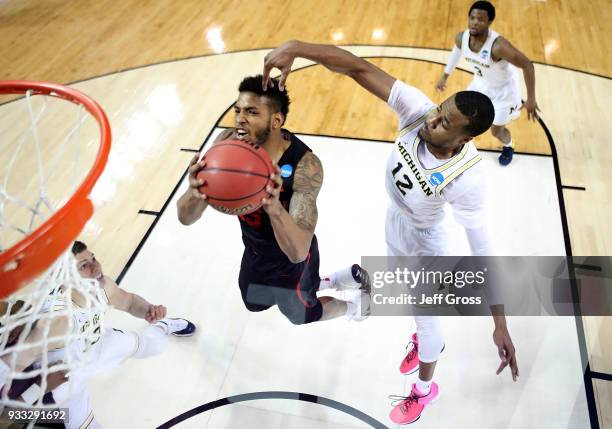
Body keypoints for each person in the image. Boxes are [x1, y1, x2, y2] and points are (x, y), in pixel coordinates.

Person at [263, 40, 518, 425]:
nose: (433, 120)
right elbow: (357, 68)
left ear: (465, 139)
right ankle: (411, 328)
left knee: (428, 321)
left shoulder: (469, 179)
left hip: (429, 245)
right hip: (396, 220)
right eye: (439, 111)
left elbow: (484, 250)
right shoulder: (418, 111)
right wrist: (298, 47)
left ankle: (425, 390)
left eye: (445, 123)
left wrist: (499, 322)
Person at [177, 75, 370, 325]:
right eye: (237, 111)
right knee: (253, 302)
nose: (239, 119)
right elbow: (185, 218)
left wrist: (274, 207)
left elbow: (298, 251)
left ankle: (355, 307)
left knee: (300, 314)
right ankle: (324, 282)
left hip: (291, 260)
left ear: (276, 120)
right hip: (255, 250)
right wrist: (196, 191)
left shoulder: (304, 166)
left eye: (251, 112)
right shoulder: (227, 143)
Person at [0, 242, 197, 428]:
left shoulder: (101, 287)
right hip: (63, 378)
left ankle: (163, 326)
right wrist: (39, 387)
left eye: (93, 259)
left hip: (97, 346)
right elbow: (7, 415)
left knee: (153, 346)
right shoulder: (54, 325)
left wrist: (148, 310)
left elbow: (128, 302)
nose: (96, 268)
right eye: (84, 266)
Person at [435, 0, 539, 166]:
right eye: (472, 18)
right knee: (462, 117)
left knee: (496, 131)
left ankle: (509, 145)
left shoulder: (498, 46)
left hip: (504, 92)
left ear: (489, 22)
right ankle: (458, 148)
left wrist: (531, 98)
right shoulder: (462, 37)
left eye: (481, 19)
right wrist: (445, 75)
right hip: (480, 85)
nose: (475, 22)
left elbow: (527, 65)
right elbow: (456, 52)